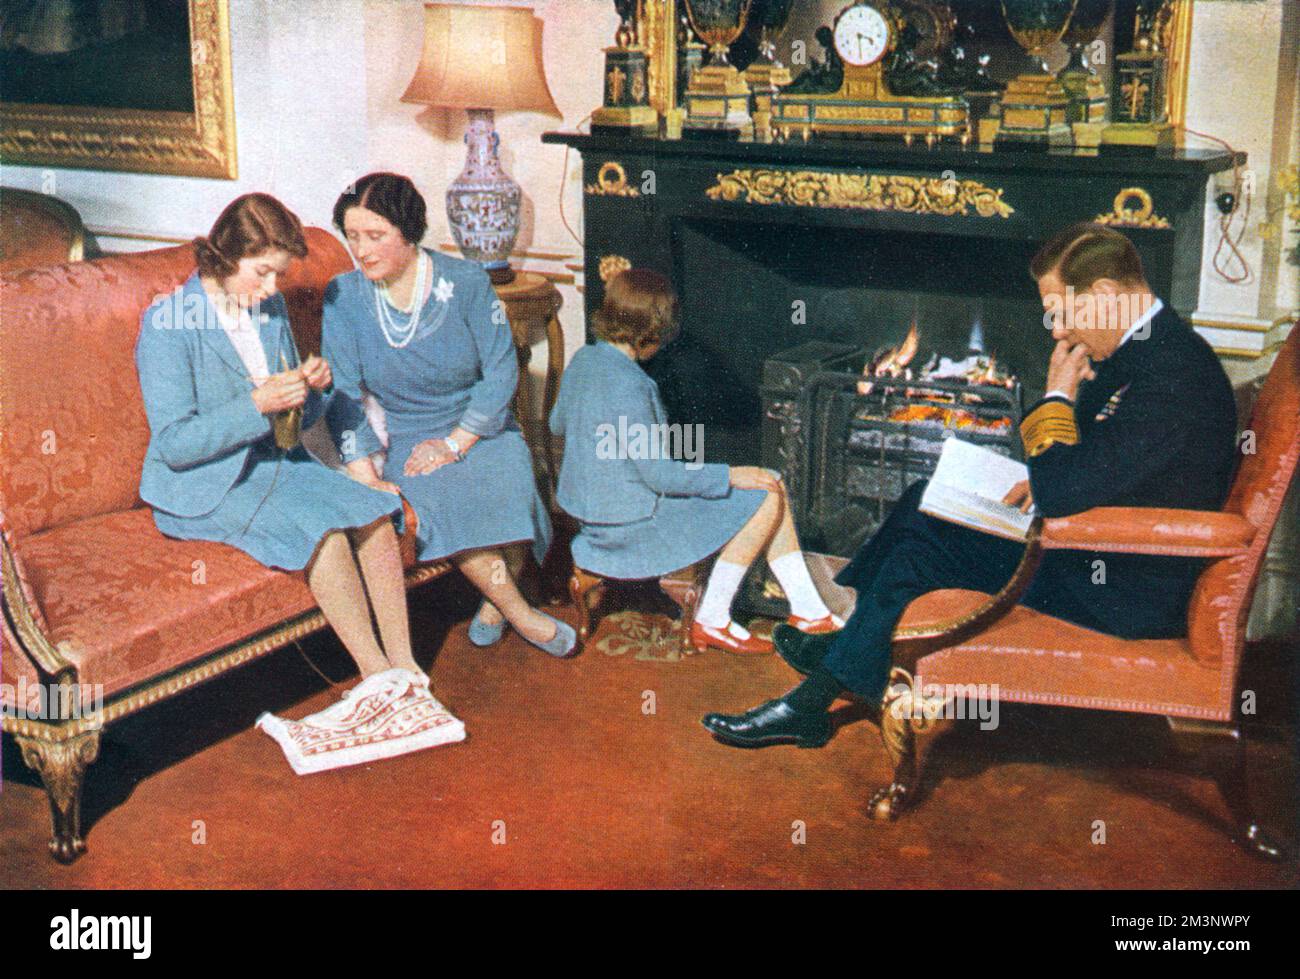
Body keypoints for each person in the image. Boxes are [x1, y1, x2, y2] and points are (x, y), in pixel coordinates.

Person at [702, 222, 1239, 746]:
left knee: (923, 544)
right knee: (923, 498)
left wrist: (1056, 398)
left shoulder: (1170, 377)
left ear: (1103, 294)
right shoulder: (1145, 348)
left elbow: (1061, 485)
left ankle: (810, 705)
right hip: (1095, 548)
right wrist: (1051, 453)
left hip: (1119, 586)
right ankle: (850, 644)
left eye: (1060, 312)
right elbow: (1080, 469)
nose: (1057, 331)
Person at [136, 193, 423, 686]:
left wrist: (312, 388)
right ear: (225, 255)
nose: (271, 288)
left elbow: (296, 420)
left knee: (374, 516)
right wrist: (257, 405)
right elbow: (174, 445)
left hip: (276, 465)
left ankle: (406, 667)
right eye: (261, 272)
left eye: (279, 275)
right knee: (325, 535)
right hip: (205, 485)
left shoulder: (269, 312)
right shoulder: (168, 324)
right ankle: (377, 677)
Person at [322, 172, 572, 657]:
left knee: (511, 487)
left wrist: (456, 443)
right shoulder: (343, 296)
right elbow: (342, 395)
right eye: (352, 237)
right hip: (406, 437)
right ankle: (523, 614)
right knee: (446, 502)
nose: (362, 250)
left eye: (376, 236)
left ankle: (494, 605)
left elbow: (501, 374)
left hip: (480, 427)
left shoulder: (467, 282)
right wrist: (366, 473)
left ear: (408, 231)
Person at [550, 267, 842, 654]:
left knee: (768, 481)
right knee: (769, 490)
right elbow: (661, 476)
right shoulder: (635, 386)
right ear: (652, 333)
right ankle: (715, 616)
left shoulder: (583, 361)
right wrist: (732, 474)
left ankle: (807, 608)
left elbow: (557, 424)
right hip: (632, 529)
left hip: (590, 523)